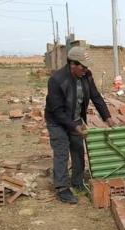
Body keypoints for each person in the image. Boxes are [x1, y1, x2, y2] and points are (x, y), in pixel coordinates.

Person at [45, 46, 115, 204]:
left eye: (87, 66)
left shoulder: (86, 75)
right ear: (72, 64)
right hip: (57, 121)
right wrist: (74, 127)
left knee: (77, 150)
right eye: (83, 66)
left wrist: (107, 117)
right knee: (62, 151)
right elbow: (57, 111)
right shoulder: (57, 80)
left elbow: (96, 97)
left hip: (75, 118)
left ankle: (77, 181)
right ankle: (62, 188)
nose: (86, 69)